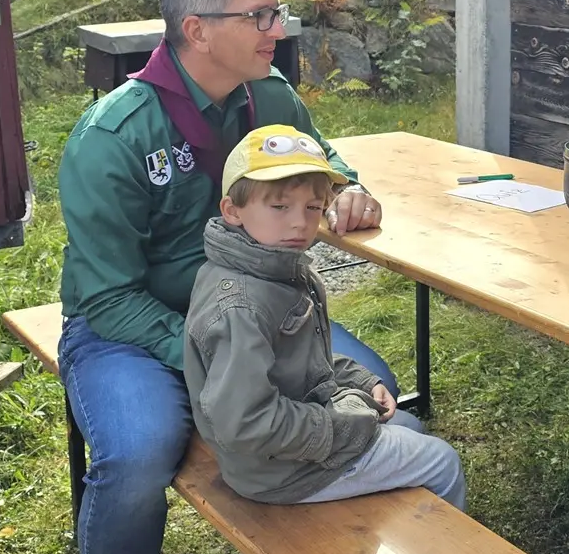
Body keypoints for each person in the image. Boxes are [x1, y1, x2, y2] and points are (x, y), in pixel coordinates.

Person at [57, 0, 392, 554]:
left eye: (275, 12)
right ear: (197, 29)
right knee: (138, 454)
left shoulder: (267, 96)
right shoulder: (111, 137)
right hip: (134, 329)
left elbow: (322, 159)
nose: (280, 26)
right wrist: (208, 354)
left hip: (260, 315)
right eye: (261, 15)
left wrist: (343, 184)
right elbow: (104, 294)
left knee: (375, 391)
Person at [183, 125, 465, 510]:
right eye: (280, 206)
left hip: (289, 446)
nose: (300, 222)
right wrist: (344, 427)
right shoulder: (241, 305)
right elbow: (246, 423)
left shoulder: (272, 266)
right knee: (442, 462)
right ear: (233, 210)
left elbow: (296, 360)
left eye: (313, 207)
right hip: (282, 472)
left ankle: (404, 540)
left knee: (410, 426)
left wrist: (359, 381)